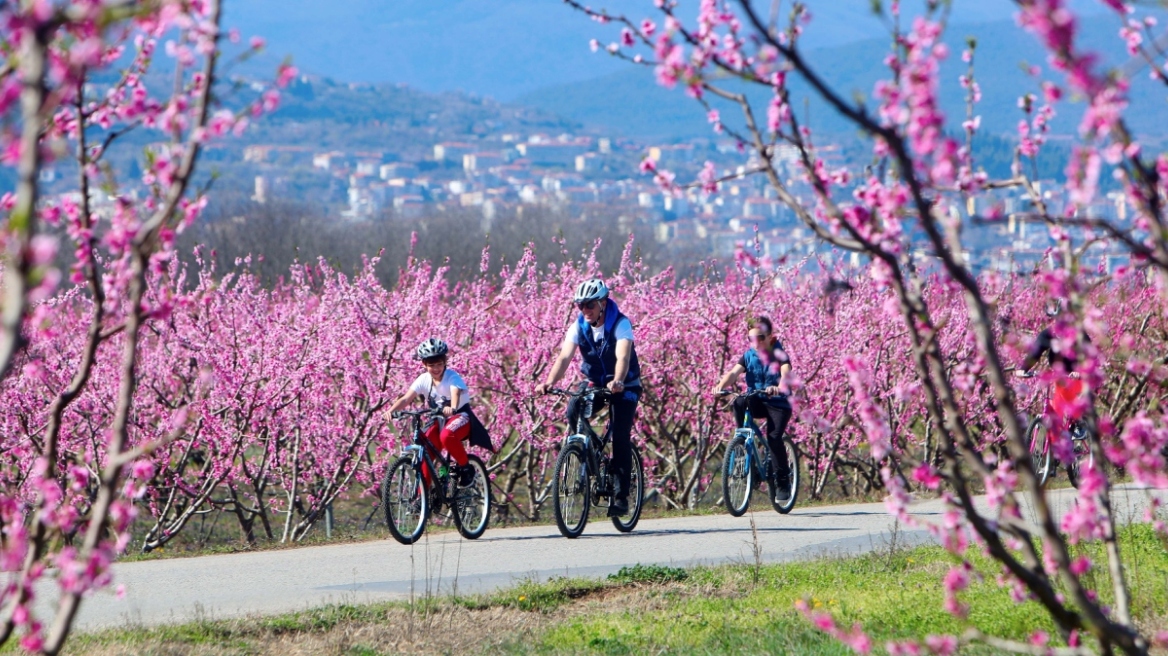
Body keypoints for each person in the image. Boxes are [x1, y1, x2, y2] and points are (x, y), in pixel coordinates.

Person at [536, 278, 641, 517]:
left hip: (625, 385)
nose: (585, 310)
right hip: (595, 382)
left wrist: (619, 379)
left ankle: (621, 496)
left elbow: (623, 356)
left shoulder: (620, 324)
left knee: (621, 436)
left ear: (603, 303)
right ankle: (586, 451)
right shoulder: (579, 326)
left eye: (590, 305)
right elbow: (564, 357)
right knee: (574, 407)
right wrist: (549, 382)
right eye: (581, 305)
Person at [387, 338, 493, 486]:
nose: (436, 368)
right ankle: (422, 498)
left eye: (439, 364)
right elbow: (406, 399)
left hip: (460, 416)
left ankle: (465, 467)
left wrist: (452, 407)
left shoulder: (452, 377)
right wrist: (391, 411)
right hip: (438, 418)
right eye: (431, 365)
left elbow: (455, 392)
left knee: (447, 436)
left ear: (445, 362)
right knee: (425, 448)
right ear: (424, 364)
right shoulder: (423, 379)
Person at [712, 316, 794, 501]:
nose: (756, 343)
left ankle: (782, 481)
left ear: (771, 337)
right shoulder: (748, 355)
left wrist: (780, 387)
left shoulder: (779, 353)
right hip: (756, 398)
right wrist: (720, 386)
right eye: (752, 339)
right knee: (739, 401)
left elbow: (786, 371)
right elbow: (734, 372)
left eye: (761, 338)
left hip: (778, 403)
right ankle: (742, 442)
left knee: (774, 438)